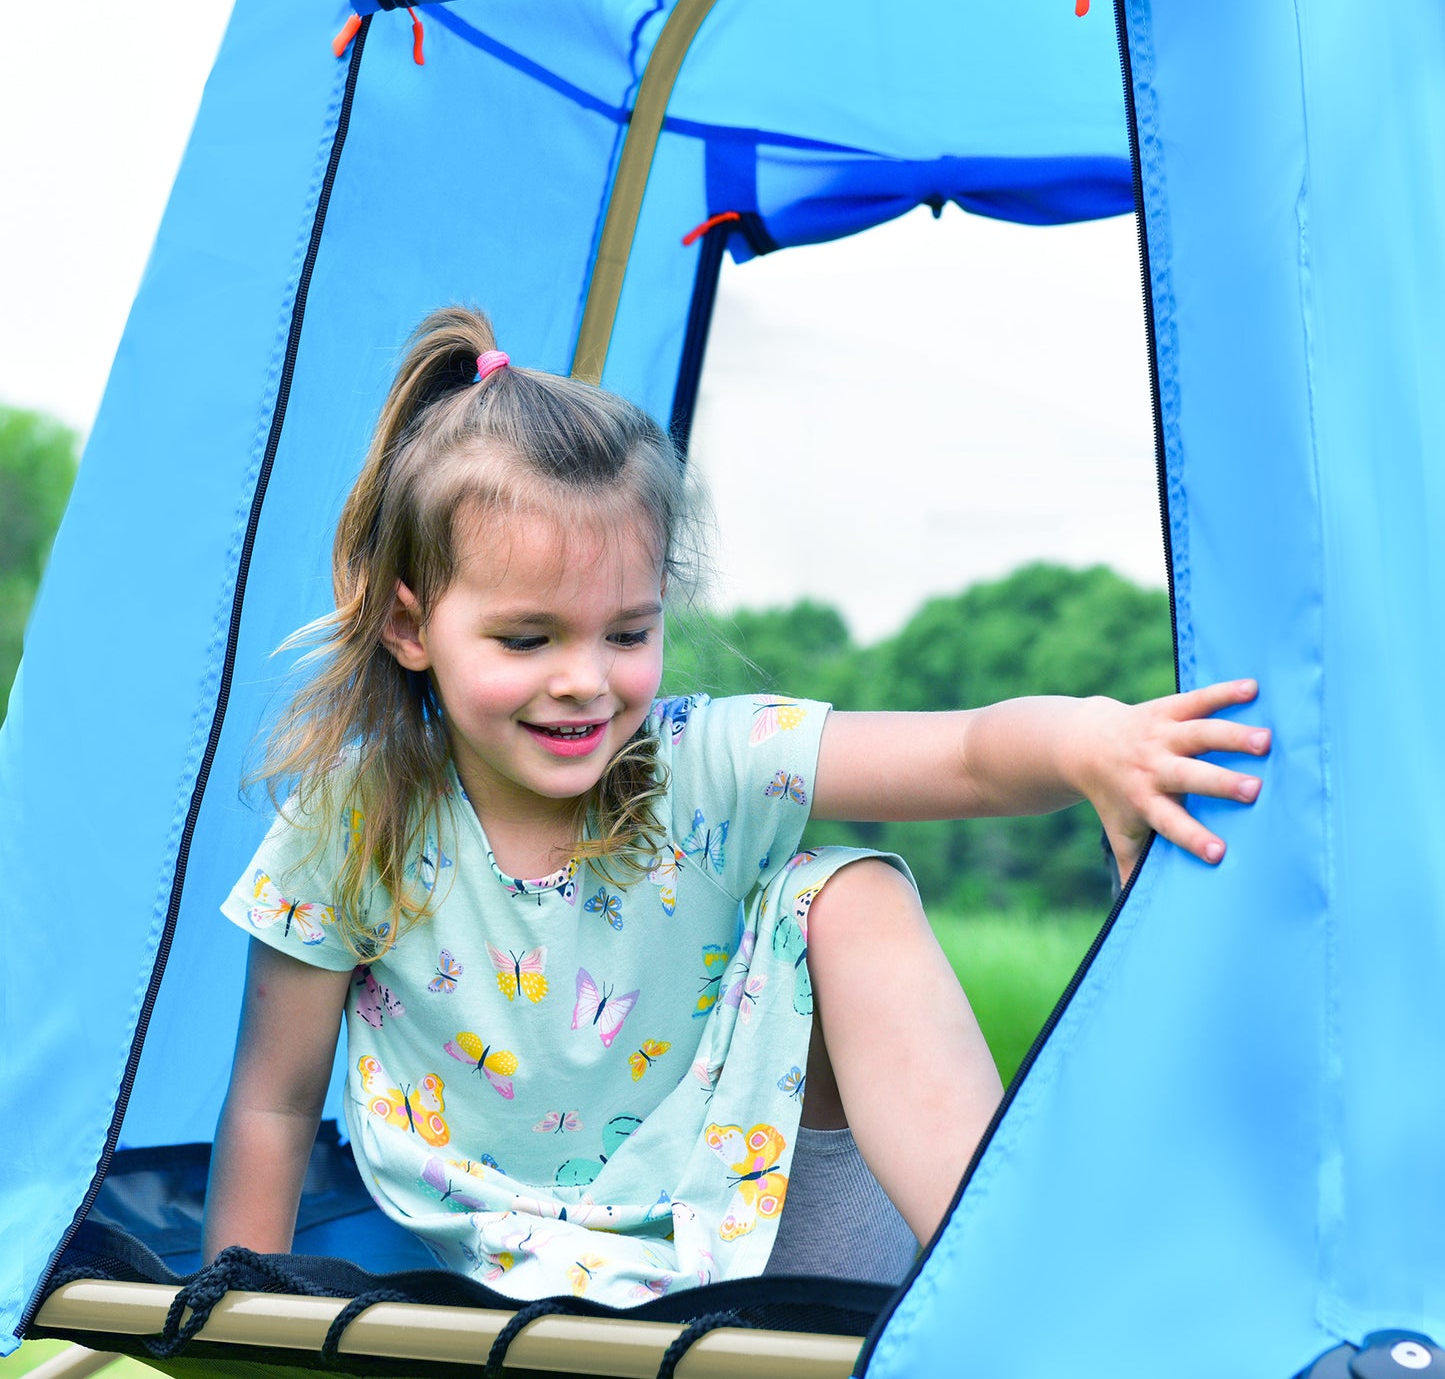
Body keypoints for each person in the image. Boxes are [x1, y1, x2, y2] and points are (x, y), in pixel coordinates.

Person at [201, 306, 1271, 1303]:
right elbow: (273, 1100)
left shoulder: (700, 759)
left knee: (843, 891)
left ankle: (1008, 1292)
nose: (584, 678)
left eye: (626, 631)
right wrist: (232, 1314)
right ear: (410, 626)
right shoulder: (358, 820)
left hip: (768, 1234)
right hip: (504, 1277)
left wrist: (1088, 738)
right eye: (527, 638)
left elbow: (965, 756)